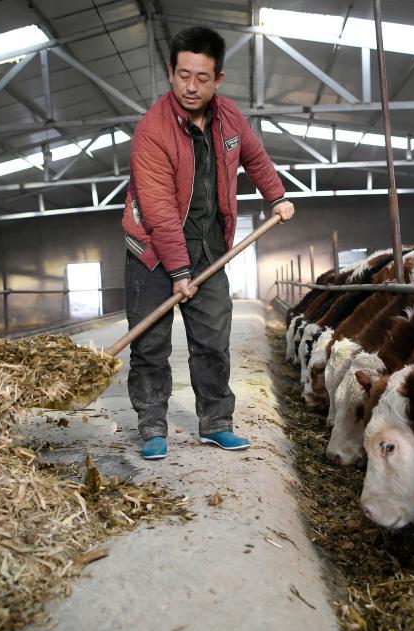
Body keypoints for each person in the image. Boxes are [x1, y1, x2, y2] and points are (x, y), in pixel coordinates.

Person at [121, 26, 295, 460]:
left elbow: (255, 156)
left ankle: (216, 423)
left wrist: (276, 196)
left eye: (202, 78)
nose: (191, 86)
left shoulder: (229, 117)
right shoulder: (152, 131)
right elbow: (159, 211)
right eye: (183, 75)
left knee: (213, 341)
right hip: (153, 254)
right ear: (170, 73)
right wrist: (179, 272)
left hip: (210, 248)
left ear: (218, 80)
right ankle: (152, 426)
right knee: (150, 346)